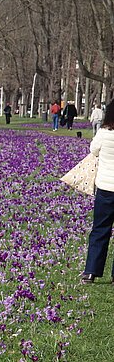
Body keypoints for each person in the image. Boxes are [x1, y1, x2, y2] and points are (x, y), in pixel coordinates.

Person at [80, 102, 114, 283]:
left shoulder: (103, 133)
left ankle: (91, 271)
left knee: (100, 230)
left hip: (106, 189)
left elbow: (93, 150)